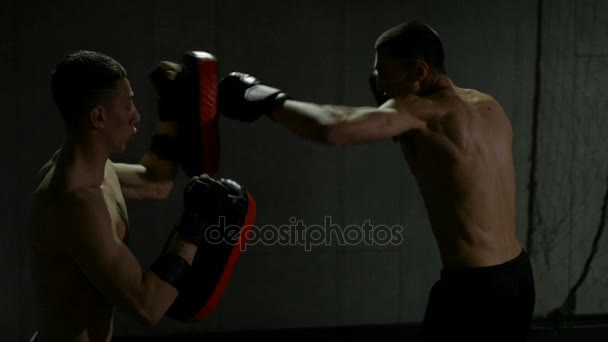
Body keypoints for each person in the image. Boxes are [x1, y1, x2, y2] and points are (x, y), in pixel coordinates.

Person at [217, 21, 535, 341]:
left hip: (474, 290)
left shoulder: (422, 111)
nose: (380, 84)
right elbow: (445, 167)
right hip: (518, 275)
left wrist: (266, 99)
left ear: (420, 71)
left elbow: (333, 128)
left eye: (385, 71)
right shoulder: (488, 104)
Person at [28, 50, 250, 342]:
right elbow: (148, 306)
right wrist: (194, 225)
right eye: (128, 104)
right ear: (98, 117)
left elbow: (154, 183)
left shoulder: (93, 167)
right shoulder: (76, 202)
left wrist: (170, 113)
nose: (136, 115)